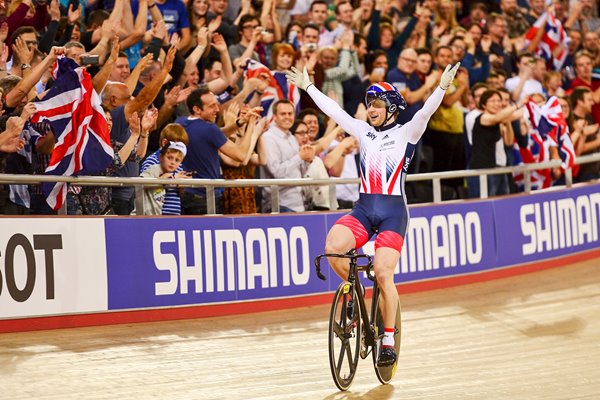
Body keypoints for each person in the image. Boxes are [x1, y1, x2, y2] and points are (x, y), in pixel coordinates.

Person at [285, 62, 460, 367]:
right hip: (365, 209)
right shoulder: (363, 131)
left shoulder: (408, 133)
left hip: (393, 214)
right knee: (333, 247)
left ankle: (388, 338)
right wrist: (308, 86)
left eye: (378, 104)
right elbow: (335, 112)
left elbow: (425, 113)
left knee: (383, 273)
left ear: (391, 109)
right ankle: (354, 292)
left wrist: (441, 88)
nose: (371, 109)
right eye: (369, 104)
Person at [140, 141, 191, 215]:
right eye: (169, 158)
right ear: (160, 157)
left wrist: (183, 184)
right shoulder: (154, 169)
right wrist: (163, 180)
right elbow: (140, 184)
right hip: (152, 216)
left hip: (174, 215)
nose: (172, 162)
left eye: (177, 160)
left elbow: (179, 194)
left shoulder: (177, 173)